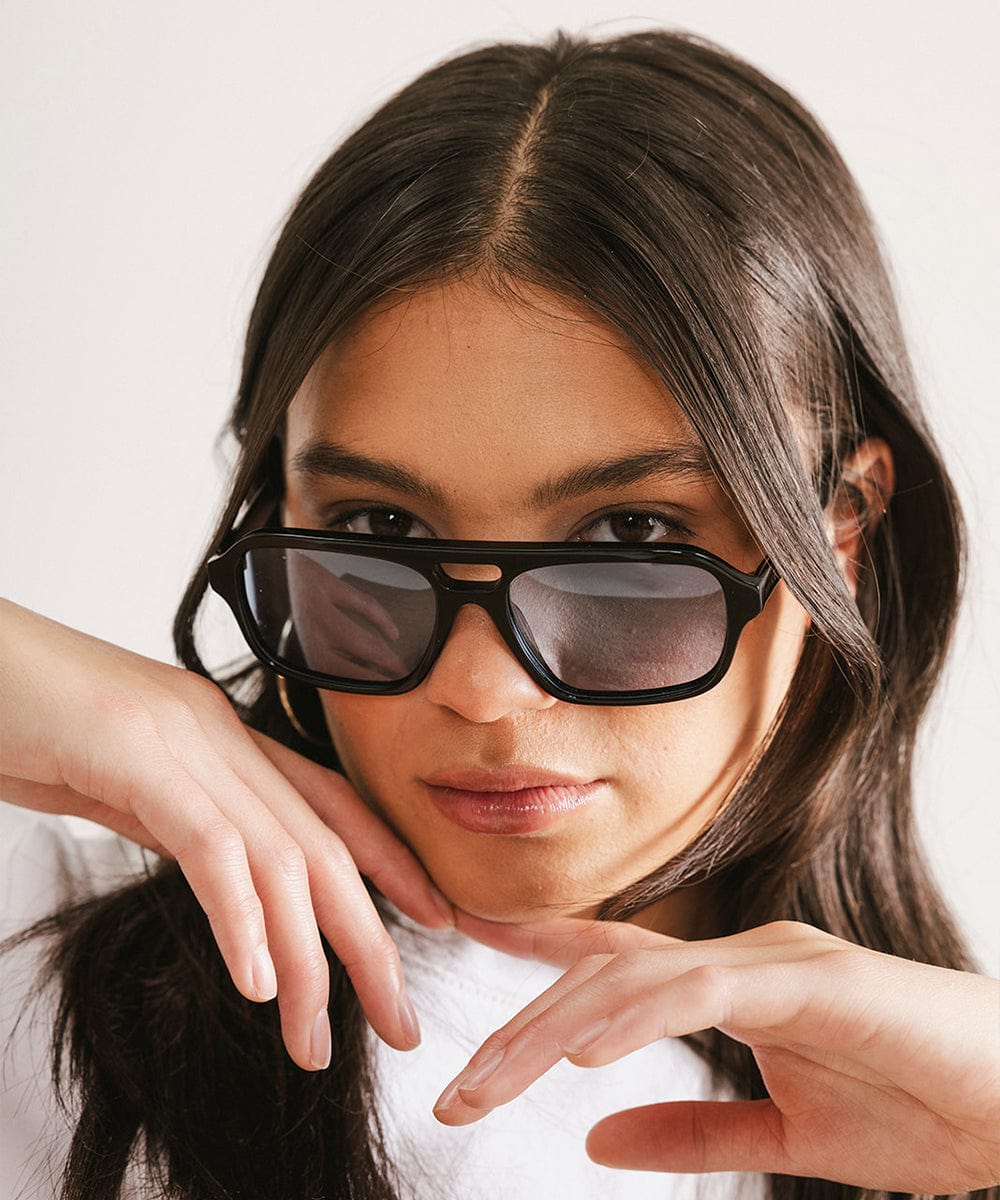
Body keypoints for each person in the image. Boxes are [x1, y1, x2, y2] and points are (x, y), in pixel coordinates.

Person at [1, 26, 997, 1200]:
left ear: (841, 519)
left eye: (630, 535)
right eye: (379, 532)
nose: (480, 687)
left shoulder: (940, 1106)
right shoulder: (48, 976)